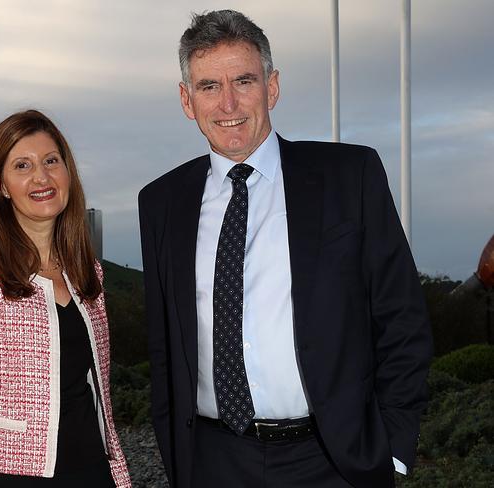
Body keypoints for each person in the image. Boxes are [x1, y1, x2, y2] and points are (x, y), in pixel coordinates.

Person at [138, 10, 432, 488]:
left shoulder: (348, 176)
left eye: (244, 81)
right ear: (186, 100)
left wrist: (393, 449)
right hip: (213, 463)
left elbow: (402, 319)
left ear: (272, 87)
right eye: (209, 86)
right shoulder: (161, 202)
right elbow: (164, 347)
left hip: (333, 461)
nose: (227, 102)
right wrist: (179, 460)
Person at [0, 110, 131, 488]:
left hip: (93, 469)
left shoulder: (89, 272)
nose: (42, 177)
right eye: (22, 165)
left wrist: (118, 475)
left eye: (51, 161)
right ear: (0, 185)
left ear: (67, 172)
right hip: (12, 475)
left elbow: (98, 393)